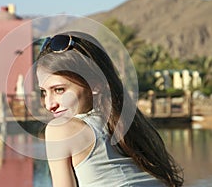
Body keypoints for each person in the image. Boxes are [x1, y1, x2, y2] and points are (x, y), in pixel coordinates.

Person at [35, 31, 184, 187]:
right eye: (44, 92)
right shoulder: (132, 126)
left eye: (59, 90)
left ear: (95, 85)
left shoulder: (60, 129)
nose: (49, 104)